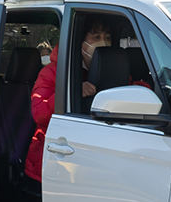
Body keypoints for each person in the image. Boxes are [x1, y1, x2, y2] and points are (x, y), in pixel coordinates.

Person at [24, 18, 114, 182]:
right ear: (79, 43)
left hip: (96, 156)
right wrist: (72, 90)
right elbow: (39, 113)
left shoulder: (113, 70)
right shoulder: (53, 72)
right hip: (53, 158)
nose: (104, 43)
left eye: (107, 37)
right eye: (96, 37)